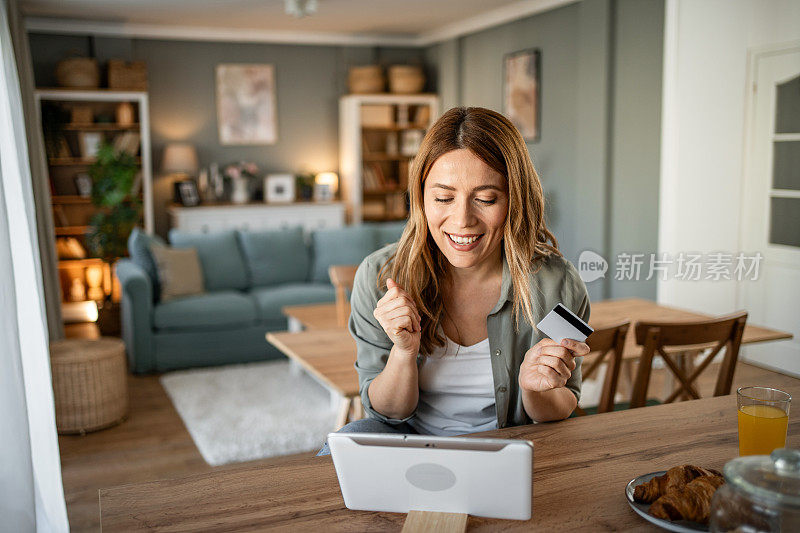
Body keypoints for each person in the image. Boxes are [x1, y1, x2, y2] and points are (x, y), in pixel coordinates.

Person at [318, 107, 590, 455]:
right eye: (443, 198)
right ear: (421, 198)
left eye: (486, 199)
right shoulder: (378, 276)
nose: (462, 220)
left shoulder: (559, 284)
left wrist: (535, 390)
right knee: (338, 449)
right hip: (410, 445)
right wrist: (404, 352)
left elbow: (566, 403)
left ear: (515, 200)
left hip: (510, 447)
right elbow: (386, 413)